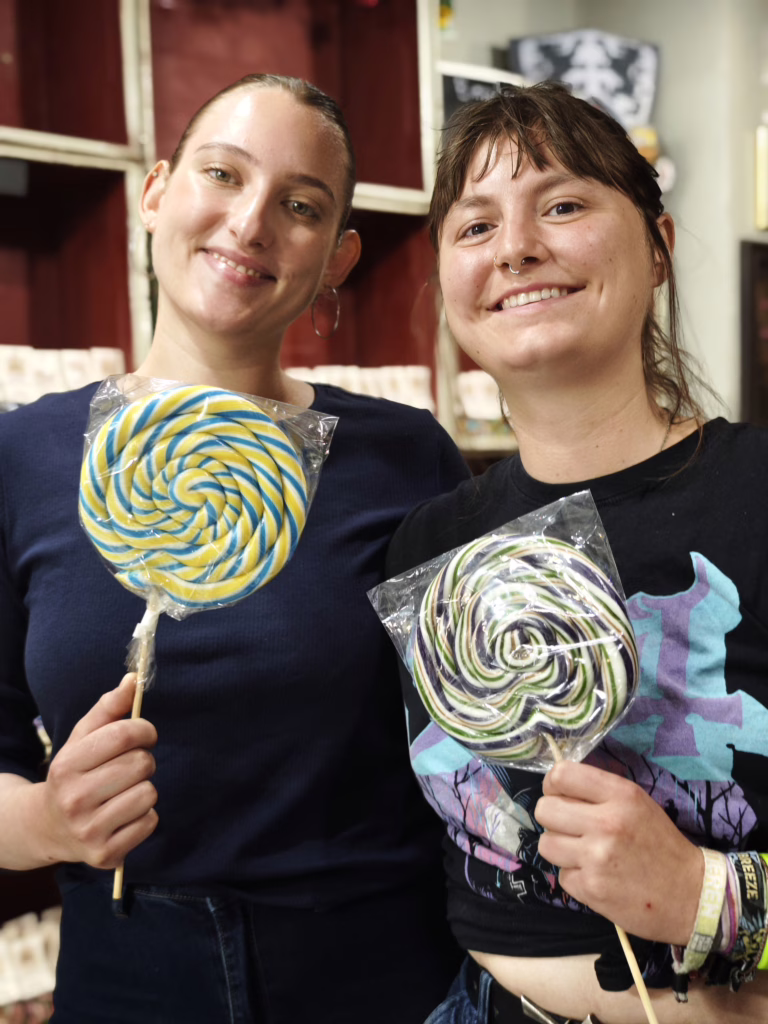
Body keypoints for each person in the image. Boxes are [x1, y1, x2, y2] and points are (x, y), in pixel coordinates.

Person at [0, 74, 469, 1023]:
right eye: (223, 175)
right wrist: (48, 821)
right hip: (124, 971)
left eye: (299, 206)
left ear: (338, 257)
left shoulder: (406, 458)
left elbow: (469, 746)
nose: (250, 223)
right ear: (156, 192)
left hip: (373, 969)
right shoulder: (23, 456)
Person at [385, 82, 768, 1024]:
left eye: (562, 204)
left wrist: (708, 895)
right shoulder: (432, 544)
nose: (515, 247)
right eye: (475, 228)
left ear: (661, 248)